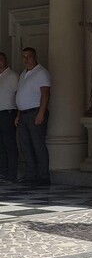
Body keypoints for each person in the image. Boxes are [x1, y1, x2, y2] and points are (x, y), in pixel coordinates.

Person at [14, 47, 51, 186]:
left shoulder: (41, 72)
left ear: (35, 57)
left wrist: (41, 113)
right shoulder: (23, 73)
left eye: (29, 56)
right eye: (24, 57)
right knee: (25, 145)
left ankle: (43, 176)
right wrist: (18, 114)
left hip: (35, 113)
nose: (26, 59)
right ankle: (31, 175)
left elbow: (45, 94)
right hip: (23, 114)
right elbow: (21, 95)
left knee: (38, 145)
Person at [0, 52, 19, 182]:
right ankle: (3, 171)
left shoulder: (13, 76)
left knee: (9, 143)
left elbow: (18, 95)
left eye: (0, 59)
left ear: (5, 60)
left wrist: (18, 114)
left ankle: (12, 173)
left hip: (8, 112)